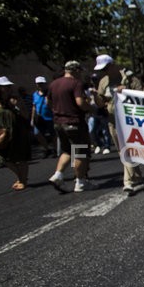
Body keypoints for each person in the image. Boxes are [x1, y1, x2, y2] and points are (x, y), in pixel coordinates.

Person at [94, 54, 144, 193]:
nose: (104, 72)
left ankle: (127, 181)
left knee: (125, 148)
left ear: (113, 65)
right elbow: (100, 103)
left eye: (106, 68)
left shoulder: (129, 77)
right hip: (113, 121)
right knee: (122, 149)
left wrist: (127, 91)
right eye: (101, 70)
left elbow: (141, 95)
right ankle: (136, 174)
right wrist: (95, 96)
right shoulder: (103, 82)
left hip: (130, 120)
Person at [47, 61, 94, 193]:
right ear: (76, 70)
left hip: (58, 123)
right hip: (74, 122)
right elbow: (79, 102)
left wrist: (58, 111)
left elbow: (48, 102)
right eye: (79, 71)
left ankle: (58, 174)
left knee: (67, 151)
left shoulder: (54, 84)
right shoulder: (76, 83)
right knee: (80, 152)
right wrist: (90, 109)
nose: (80, 74)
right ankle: (80, 182)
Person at [0, 76, 32, 191]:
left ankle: (23, 180)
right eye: (6, 87)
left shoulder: (14, 99)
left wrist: (19, 103)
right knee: (4, 157)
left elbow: (25, 115)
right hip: (4, 131)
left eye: (9, 86)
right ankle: (21, 178)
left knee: (21, 156)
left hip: (18, 130)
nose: (9, 89)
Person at [29, 76, 56, 157]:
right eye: (39, 84)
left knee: (53, 134)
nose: (40, 85)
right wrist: (32, 119)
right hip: (39, 118)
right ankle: (47, 148)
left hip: (50, 117)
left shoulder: (49, 93)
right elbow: (34, 106)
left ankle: (55, 149)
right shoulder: (35, 94)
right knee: (37, 133)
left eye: (42, 84)